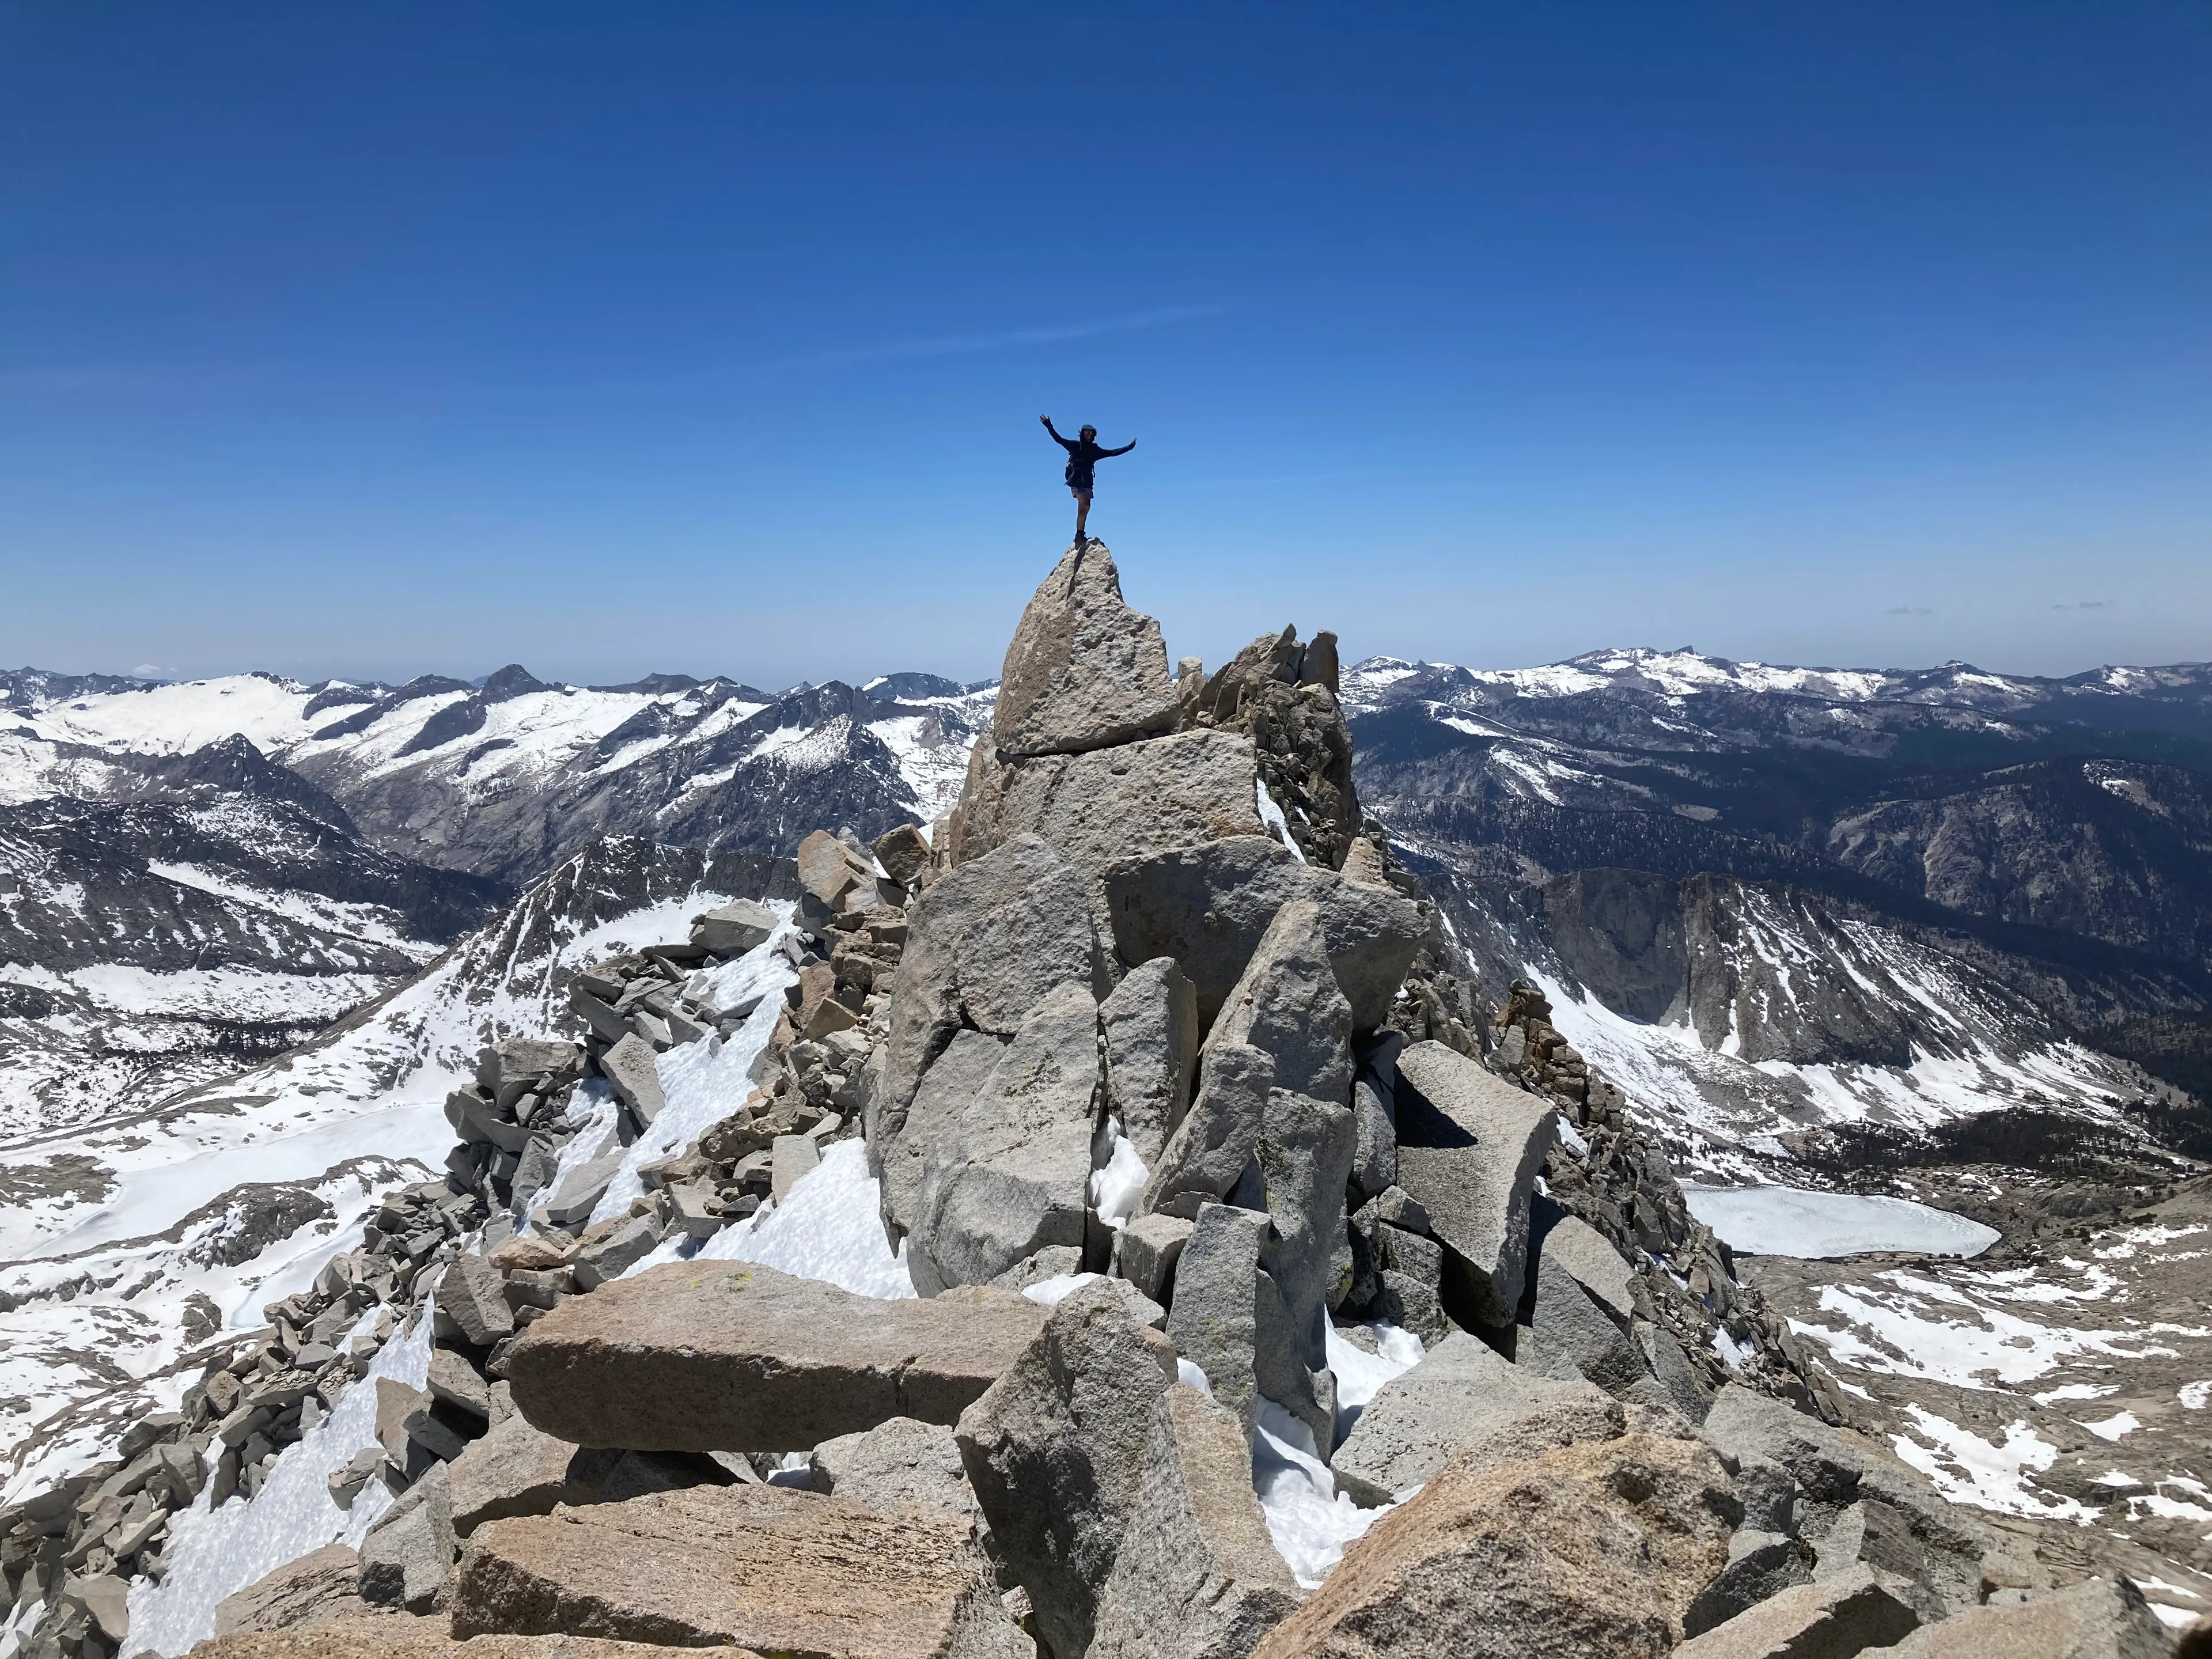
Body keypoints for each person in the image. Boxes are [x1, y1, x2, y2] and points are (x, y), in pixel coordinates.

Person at [1040, 416, 1134, 546]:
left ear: (1094, 435)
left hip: (1088, 483)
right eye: (1086, 432)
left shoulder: (1095, 450)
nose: (1089, 435)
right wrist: (1049, 425)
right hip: (1077, 481)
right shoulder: (1075, 446)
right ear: (1082, 434)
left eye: (1091, 433)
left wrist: (1129, 447)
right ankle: (1079, 535)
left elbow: (1111, 453)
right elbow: (1059, 440)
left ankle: (1080, 533)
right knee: (1083, 504)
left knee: (1086, 506)